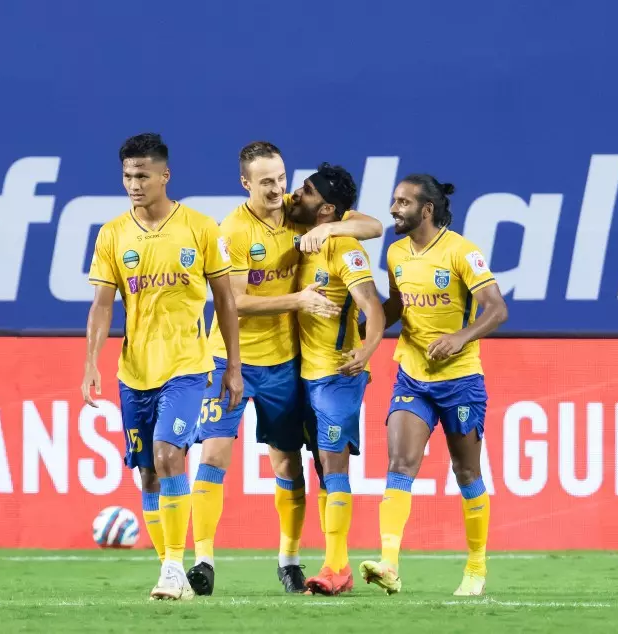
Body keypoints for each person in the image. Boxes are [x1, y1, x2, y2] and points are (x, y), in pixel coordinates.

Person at [187, 142, 383, 596]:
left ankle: (289, 561)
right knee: (214, 454)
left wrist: (331, 228)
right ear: (245, 183)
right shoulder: (233, 230)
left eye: (281, 178)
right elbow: (233, 302)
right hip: (230, 357)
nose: (278, 189)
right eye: (266, 182)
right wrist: (297, 300)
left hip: (284, 363)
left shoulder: (298, 211)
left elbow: (372, 225)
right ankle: (203, 561)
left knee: (288, 463)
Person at [82, 133, 243, 601]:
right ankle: (169, 569)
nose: (134, 184)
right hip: (134, 371)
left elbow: (225, 302)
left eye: (143, 175)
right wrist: (91, 362)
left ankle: (174, 566)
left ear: (165, 176)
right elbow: (102, 305)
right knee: (149, 473)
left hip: (187, 366)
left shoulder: (200, 228)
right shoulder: (112, 234)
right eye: (128, 176)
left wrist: (233, 366)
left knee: (169, 454)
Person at [359, 174, 508, 597]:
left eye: (403, 202)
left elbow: (497, 309)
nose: (394, 209)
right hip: (413, 375)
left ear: (426, 209)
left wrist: (461, 337)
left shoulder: (461, 251)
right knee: (399, 465)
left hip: (460, 381)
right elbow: (396, 306)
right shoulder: (396, 253)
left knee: (466, 472)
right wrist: (361, 331)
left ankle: (476, 568)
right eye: (394, 201)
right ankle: (389, 564)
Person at [286, 164, 384, 596]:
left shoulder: (344, 247)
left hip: (337, 373)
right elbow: (372, 223)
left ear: (326, 208)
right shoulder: (300, 228)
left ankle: (333, 567)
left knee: (334, 464)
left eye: (306, 190)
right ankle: (338, 566)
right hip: (302, 373)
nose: (296, 193)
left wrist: (366, 350)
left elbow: (373, 306)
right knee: (321, 466)